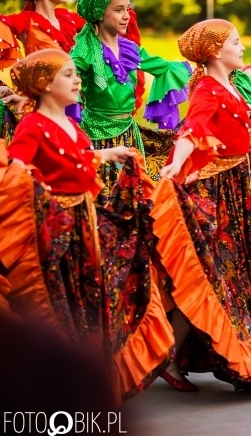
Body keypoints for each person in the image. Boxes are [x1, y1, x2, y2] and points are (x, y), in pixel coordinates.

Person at [0, 49, 173, 402]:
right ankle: (60, 379)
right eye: (68, 74)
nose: (77, 79)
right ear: (44, 85)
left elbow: (76, 156)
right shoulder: (33, 124)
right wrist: (42, 193)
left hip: (85, 219)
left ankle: (94, 371)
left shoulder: (68, 122)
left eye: (75, 73)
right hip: (57, 228)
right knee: (62, 296)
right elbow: (16, 168)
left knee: (91, 292)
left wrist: (108, 154)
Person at [152, 19, 251, 392]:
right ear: (215, 50)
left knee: (230, 280)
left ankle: (192, 354)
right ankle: (170, 357)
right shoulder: (208, 89)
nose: (242, 46)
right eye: (236, 41)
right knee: (210, 277)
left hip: (240, 191)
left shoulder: (230, 84)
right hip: (221, 198)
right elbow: (191, 128)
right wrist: (178, 163)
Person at [70, 0, 191, 204]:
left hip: (128, 132)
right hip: (97, 135)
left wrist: (206, 71)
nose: (126, 16)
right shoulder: (83, 51)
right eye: (118, 10)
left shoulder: (130, 48)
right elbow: (65, 82)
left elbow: (163, 67)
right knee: (103, 198)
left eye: (127, 9)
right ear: (99, 13)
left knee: (133, 195)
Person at [0, 0, 87, 142]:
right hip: (42, 99)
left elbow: (98, 27)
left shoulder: (66, 17)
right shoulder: (26, 20)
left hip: (73, 94)